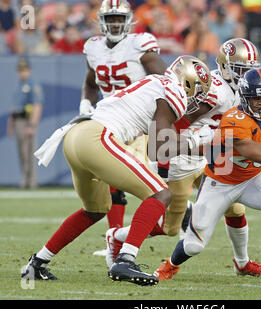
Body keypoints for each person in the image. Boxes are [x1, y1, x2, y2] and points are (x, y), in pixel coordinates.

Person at [21, 55, 213, 286]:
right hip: (97, 137)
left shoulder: (156, 81)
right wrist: (197, 141)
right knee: (161, 194)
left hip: (74, 136)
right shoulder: (174, 92)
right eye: (198, 91)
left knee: (95, 209)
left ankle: (36, 264)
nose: (197, 99)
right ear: (190, 84)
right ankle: (126, 259)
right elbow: (158, 149)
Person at [105, 38, 261, 278]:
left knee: (235, 209)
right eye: (242, 70)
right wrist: (165, 165)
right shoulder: (215, 91)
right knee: (169, 228)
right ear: (226, 66)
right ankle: (115, 236)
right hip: (185, 156)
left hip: (213, 154)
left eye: (251, 69)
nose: (247, 75)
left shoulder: (243, 90)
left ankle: (242, 263)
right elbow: (173, 126)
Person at [153, 68, 261, 281]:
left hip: (252, 177)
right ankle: (170, 265)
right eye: (256, 98)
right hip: (221, 181)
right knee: (194, 245)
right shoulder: (234, 120)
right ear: (244, 99)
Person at [78, 0, 168, 253]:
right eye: (111, 19)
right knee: (110, 179)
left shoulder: (140, 44)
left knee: (149, 184)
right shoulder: (93, 48)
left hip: (139, 122)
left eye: (119, 18)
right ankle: (114, 239)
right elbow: (91, 83)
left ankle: (179, 215)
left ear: (128, 20)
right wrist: (86, 101)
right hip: (111, 121)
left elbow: (164, 80)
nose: (115, 23)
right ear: (102, 21)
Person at [7, 58, 43, 189]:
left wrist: (32, 125)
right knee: (22, 152)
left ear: (29, 70)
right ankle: (25, 179)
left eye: (24, 70)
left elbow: (37, 106)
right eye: (20, 70)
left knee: (29, 152)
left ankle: (31, 182)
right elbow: (14, 107)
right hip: (18, 120)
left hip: (27, 120)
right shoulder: (19, 85)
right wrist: (10, 125)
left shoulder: (32, 84)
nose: (22, 72)